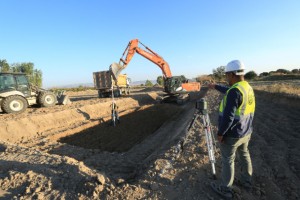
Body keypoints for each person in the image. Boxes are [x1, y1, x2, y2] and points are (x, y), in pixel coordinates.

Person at [209, 60, 255, 199]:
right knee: (244, 154)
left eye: (227, 75)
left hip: (232, 134)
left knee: (228, 159)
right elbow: (230, 91)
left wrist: (221, 133)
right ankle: (247, 181)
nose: (226, 77)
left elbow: (228, 117)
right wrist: (215, 86)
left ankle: (226, 188)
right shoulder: (246, 87)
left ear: (232, 74)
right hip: (246, 131)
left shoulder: (235, 91)